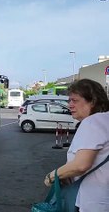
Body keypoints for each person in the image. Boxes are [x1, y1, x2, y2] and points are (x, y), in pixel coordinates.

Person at [43, 79, 109, 211]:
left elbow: (81, 165)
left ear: (93, 101)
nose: (70, 105)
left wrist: (53, 176)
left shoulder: (92, 122)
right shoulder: (105, 119)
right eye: (69, 101)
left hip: (92, 202)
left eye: (75, 100)